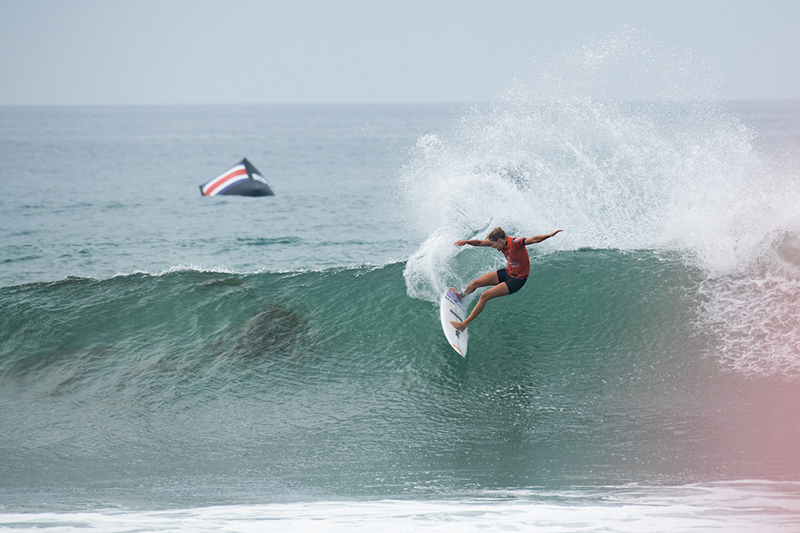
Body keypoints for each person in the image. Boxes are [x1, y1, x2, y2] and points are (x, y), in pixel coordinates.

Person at [449, 227, 563, 331]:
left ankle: (463, 325)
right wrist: (466, 242)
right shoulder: (499, 243)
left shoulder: (516, 243)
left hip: (517, 280)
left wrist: (549, 235)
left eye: (493, 244)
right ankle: (461, 296)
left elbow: (533, 239)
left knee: (485, 296)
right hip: (508, 272)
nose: (492, 247)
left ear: (499, 240)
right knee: (475, 283)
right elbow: (479, 242)